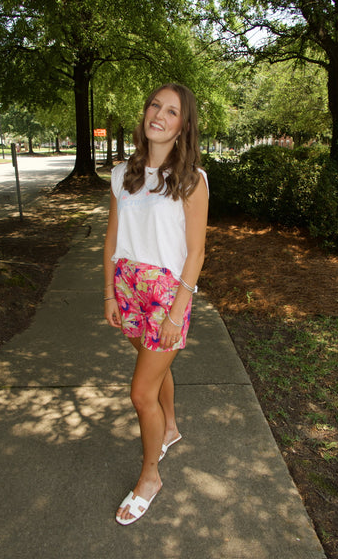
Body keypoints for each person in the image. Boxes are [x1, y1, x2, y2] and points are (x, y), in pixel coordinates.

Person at [103, 83, 208, 526]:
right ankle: (169, 427)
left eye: (172, 111)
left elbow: (196, 252)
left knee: (141, 391)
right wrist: (108, 291)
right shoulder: (122, 173)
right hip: (127, 286)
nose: (159, 115)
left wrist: (176, 310)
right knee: (157, 369)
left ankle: (150, 476)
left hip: (167, 295)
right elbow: (111, 237)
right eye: (154, 106)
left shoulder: (191, 180)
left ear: (183, 126)